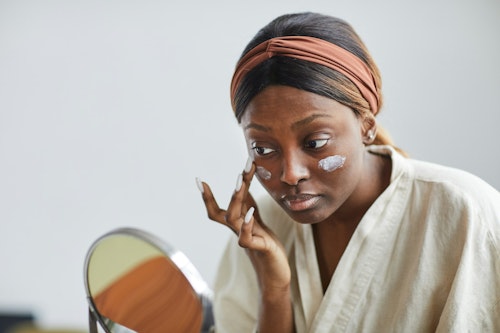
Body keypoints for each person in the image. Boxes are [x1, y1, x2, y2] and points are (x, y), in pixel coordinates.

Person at [196, 12, 500, 333]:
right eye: (263, 149)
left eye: (315, 142)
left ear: (366, 125)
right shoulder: (258, 232)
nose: (290, 174)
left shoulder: (467, 214)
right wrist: (274, 291)